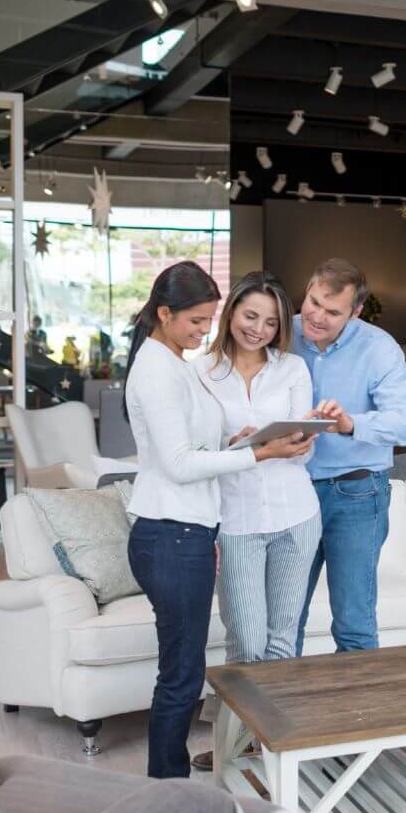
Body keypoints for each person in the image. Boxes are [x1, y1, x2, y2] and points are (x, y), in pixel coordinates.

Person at [123, 261, 311, 779]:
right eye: (196, 321)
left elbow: (192, 445)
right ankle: (168, 787)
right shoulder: (158, 369)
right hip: (171, 533)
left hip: (187, 531)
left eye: (209, 321)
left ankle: (173, 782)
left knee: (182, 670)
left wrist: (236, 443)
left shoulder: (173, 360)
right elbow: (179, 465)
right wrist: (259, 454)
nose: (204, 331)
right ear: (164, 312)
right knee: (181, 675)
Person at [290, 258, 406, 653]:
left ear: (355, 312)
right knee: (283, 618)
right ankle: (278, 712)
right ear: (308, 289)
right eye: (313, 303)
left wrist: (351, 424)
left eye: (333, 312)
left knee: (353, 622)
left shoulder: (378, 348)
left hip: (356, 493)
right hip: (291, 491)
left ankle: (357, 715)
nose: (317, 317)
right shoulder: (283, 332)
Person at [197, 271, 322, 666]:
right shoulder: (200, 373)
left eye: (271, 323)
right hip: (236, 522)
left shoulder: (293, 369)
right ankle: (238, 731)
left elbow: (303, 455)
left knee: (282, 645)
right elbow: (194, 452)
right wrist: (235, 447)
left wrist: (298, 443)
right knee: (247, 646)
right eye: (251, 317)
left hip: (296, 515)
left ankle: (268, 732)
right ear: (231, 310)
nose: (259, 330)